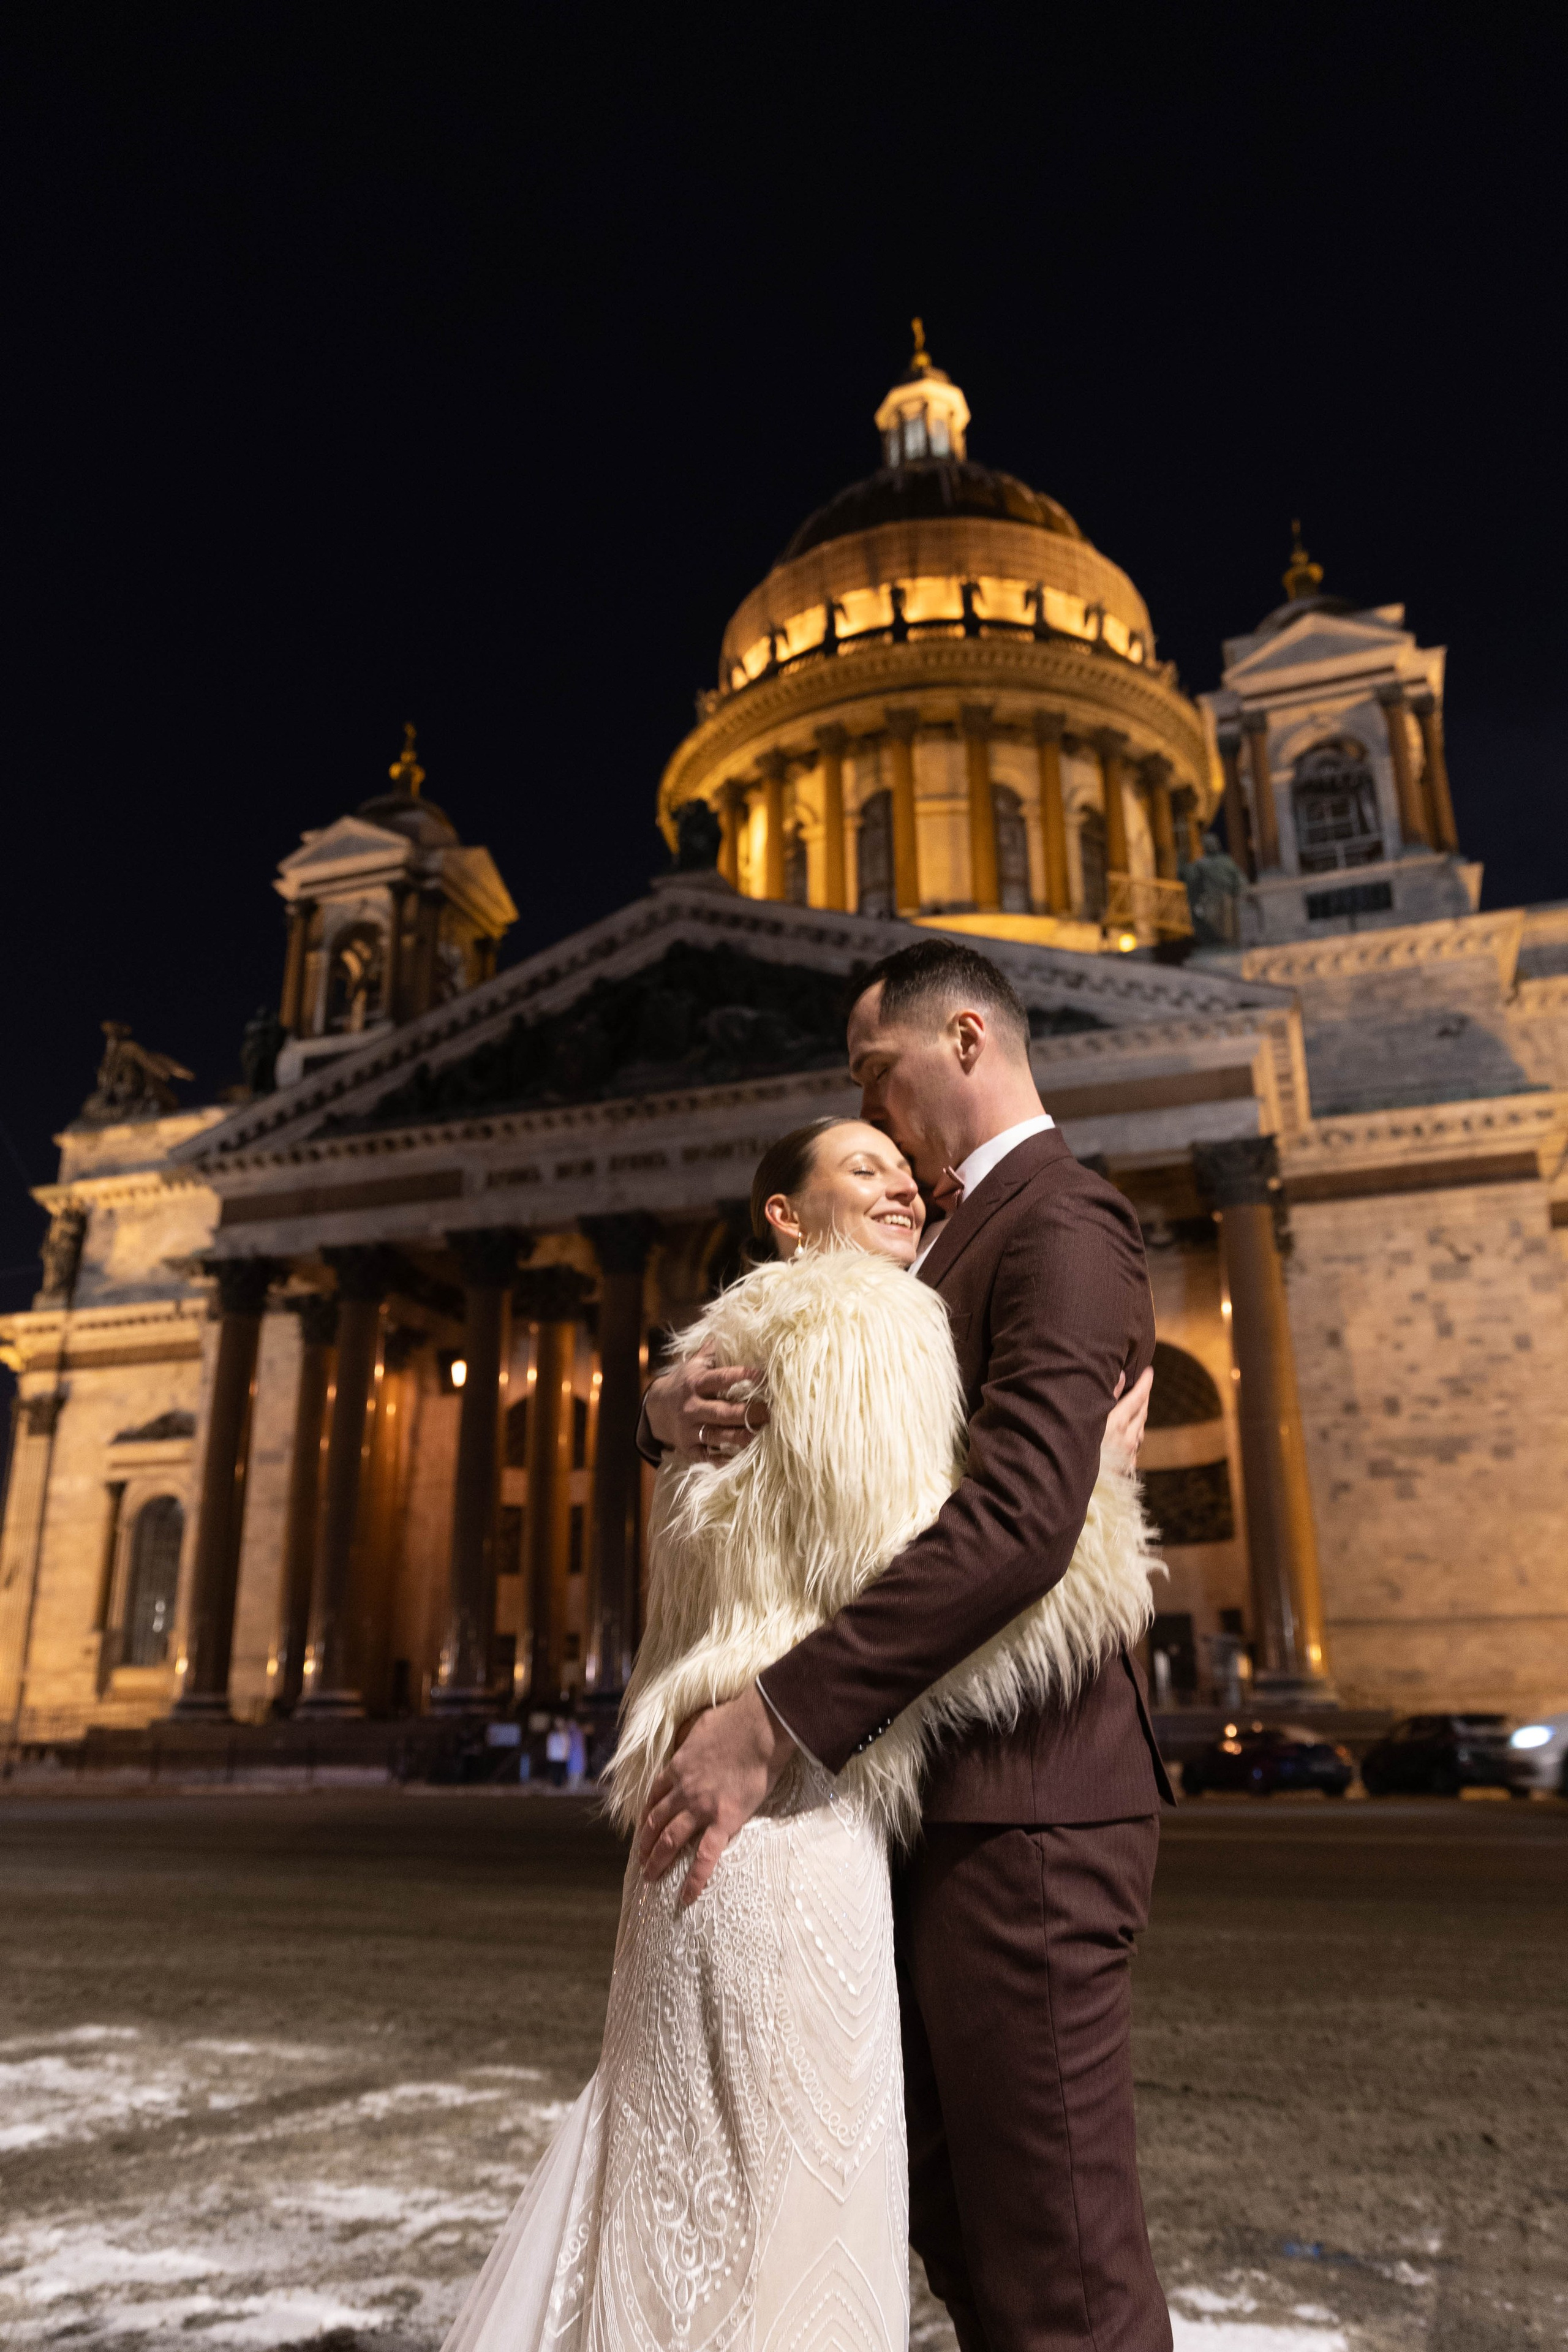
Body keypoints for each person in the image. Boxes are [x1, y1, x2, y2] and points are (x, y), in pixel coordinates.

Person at [440, 1107, 1155, 2352]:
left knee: (679, 2184)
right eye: (863, 1165)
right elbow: (940, 1582)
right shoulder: (864, 1325)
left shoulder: (724, 1347)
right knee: (795, 2204)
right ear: (785, 1213)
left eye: (906, 1171)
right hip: (783, 1808)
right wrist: (1084, 1485)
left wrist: (647, 1417)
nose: (909, 1190)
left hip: (694, 1811)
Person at [638, 938, 1174, 2352]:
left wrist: (768, 1719)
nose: (871, 1122)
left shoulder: (1058, 1219)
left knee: (1053, 2263)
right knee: (961, 2234)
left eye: (874, 1078)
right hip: (928, 1805)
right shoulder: (929, 1244)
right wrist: (657, 1403)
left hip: (1027, 1807)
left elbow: (1014, 1521)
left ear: (958, 1040)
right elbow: (816, 1429)